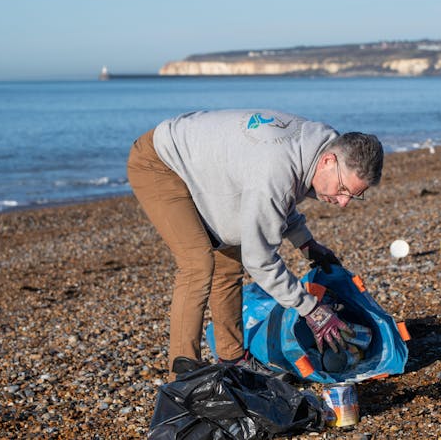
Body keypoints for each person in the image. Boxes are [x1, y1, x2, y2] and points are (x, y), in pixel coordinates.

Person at [127, 109, 384, 379]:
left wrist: (306, 243)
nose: (343, 202)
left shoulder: (320, 146)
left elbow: (282, 199)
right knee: (197, 263)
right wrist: (311, 309)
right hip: (160, 163)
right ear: (329, 161)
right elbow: (260, 260)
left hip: (207, 170)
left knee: (228, 264)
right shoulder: (279, 167)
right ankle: (182, 376)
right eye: (343, 189)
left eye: (353, 196)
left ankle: (233, 358)